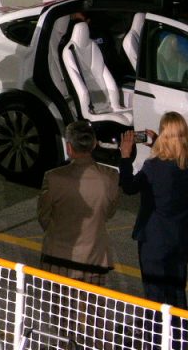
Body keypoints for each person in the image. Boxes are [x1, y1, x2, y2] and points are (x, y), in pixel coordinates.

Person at [119, 112, 188, 307]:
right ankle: (179, 332)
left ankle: (155, 334)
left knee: (154, 292)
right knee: (176, 288)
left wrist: (124, 157)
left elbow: (129, 187)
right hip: (181, 234)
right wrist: (157, 143)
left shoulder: (153, 167)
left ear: (164, 134)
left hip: (155, 237)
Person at [38, 120, 119, 285]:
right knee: (90, 308)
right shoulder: (110, 176)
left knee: (59, 308)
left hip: (58, 257)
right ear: (94, 144)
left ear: (69, 147)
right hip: (94, 258)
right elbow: (109, 212)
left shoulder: (53, 177)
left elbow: (43, 216)